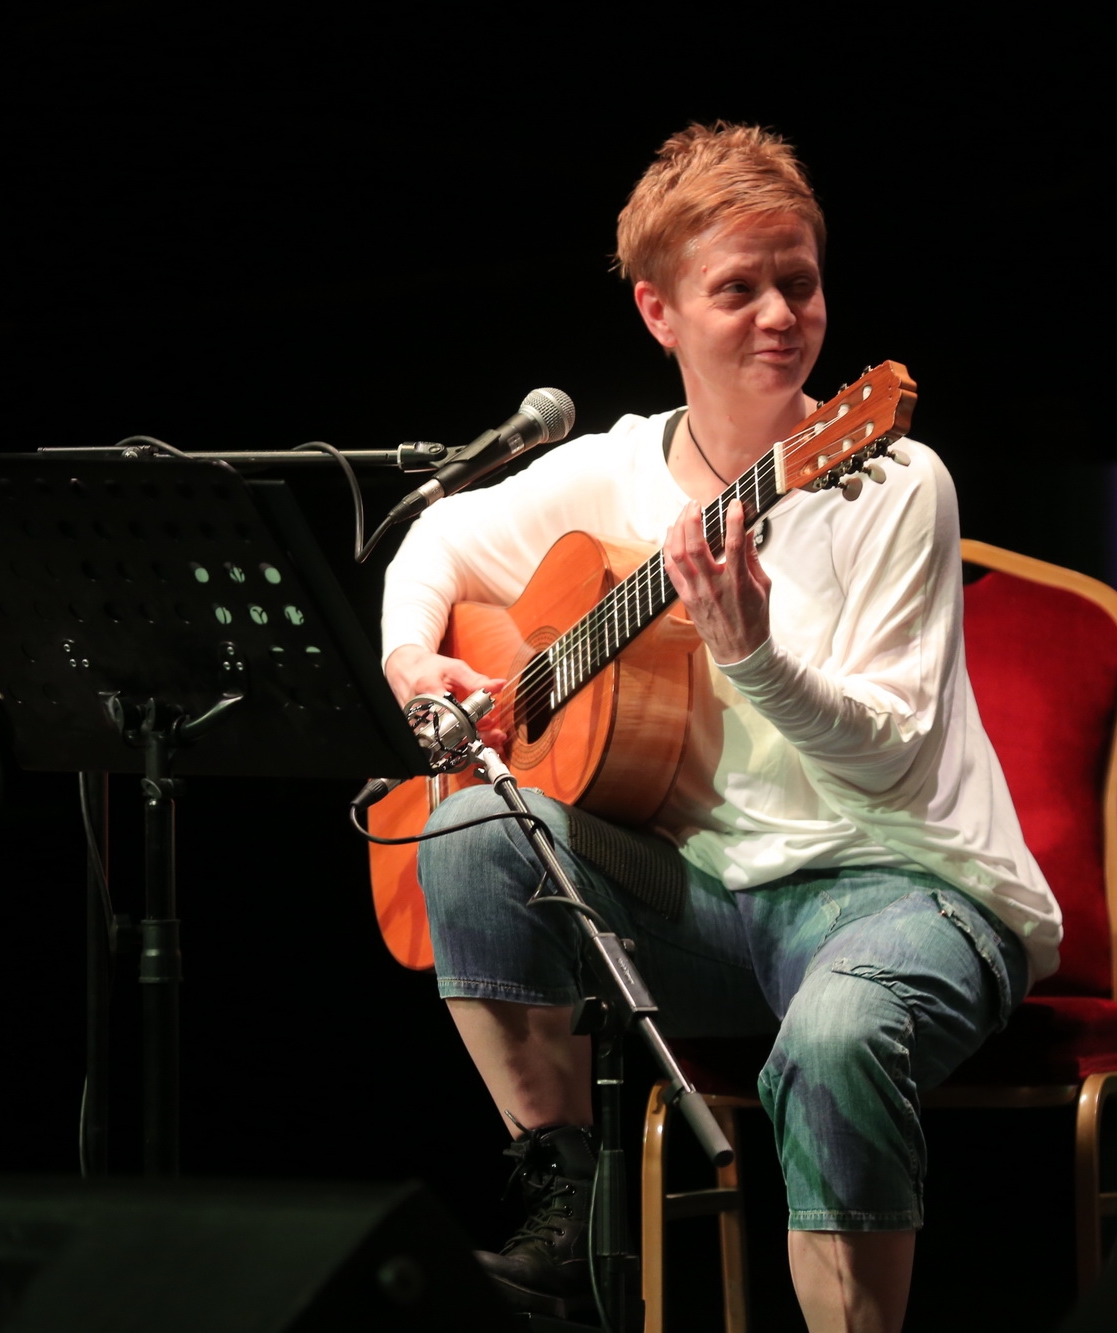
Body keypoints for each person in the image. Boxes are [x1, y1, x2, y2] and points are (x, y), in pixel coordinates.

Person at [379, 122, 1060, 1333]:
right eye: (737, 290)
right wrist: (410, 659)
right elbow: (436, 540)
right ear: (659, 311)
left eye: (798, 282)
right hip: (704, 905)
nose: (780, 316)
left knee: (839, 1032)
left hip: (908, 888)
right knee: (469, 825)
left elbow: (890, 757)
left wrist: (751, 654)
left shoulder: (889, 480)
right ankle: (565, 1204)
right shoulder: (614, 469)